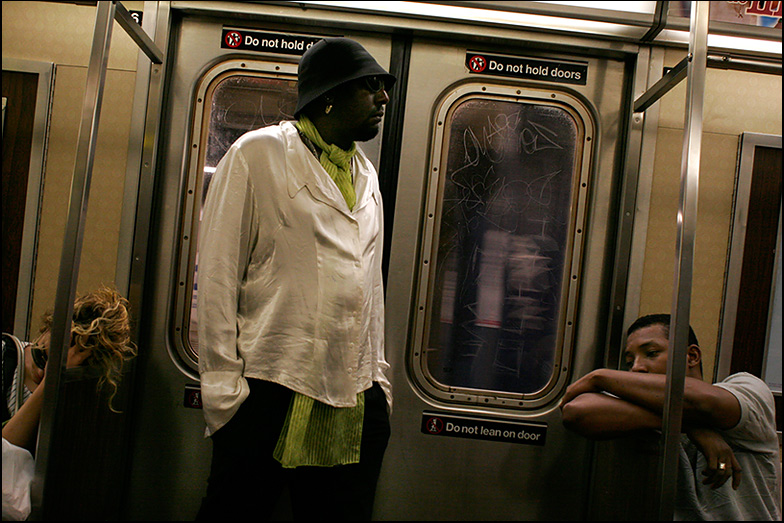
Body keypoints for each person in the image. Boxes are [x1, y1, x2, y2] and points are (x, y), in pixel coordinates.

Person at [195, 37, 395, 521]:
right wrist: (224, 393)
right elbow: (218, 276)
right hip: (271, 388)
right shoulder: (258, 155)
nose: (383, 99)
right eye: (370, 87)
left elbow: (371, 291)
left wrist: (381, 384)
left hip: (353, 395)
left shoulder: (365, 176)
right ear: (329, 95)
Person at [560, 313, 781, 521]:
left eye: (651, 353)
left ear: (691, 356)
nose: (636, 368)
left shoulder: (748, 389)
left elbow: (706, 404)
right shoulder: (643, 408)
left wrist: (601, 377)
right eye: (629, 362)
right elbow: (576, 412)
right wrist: (693, 428)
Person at [2, 286, 137, 520]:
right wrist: (50, 382)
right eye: (42, 357)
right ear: (46, 329)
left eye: (55, 370)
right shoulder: (5, 357)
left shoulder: (80, 391)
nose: (42, 373)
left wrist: (60, 379)